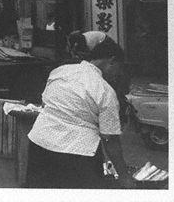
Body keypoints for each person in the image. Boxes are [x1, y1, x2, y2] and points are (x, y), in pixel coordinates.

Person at [25, 36, 134, 189]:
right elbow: (110, 140)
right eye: (119, 68)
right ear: (112, 60)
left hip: (39, 144)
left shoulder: (60, 71)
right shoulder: (105, 91)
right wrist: (124, 177)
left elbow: (45, 103)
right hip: (78, 154)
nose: (118, 74)